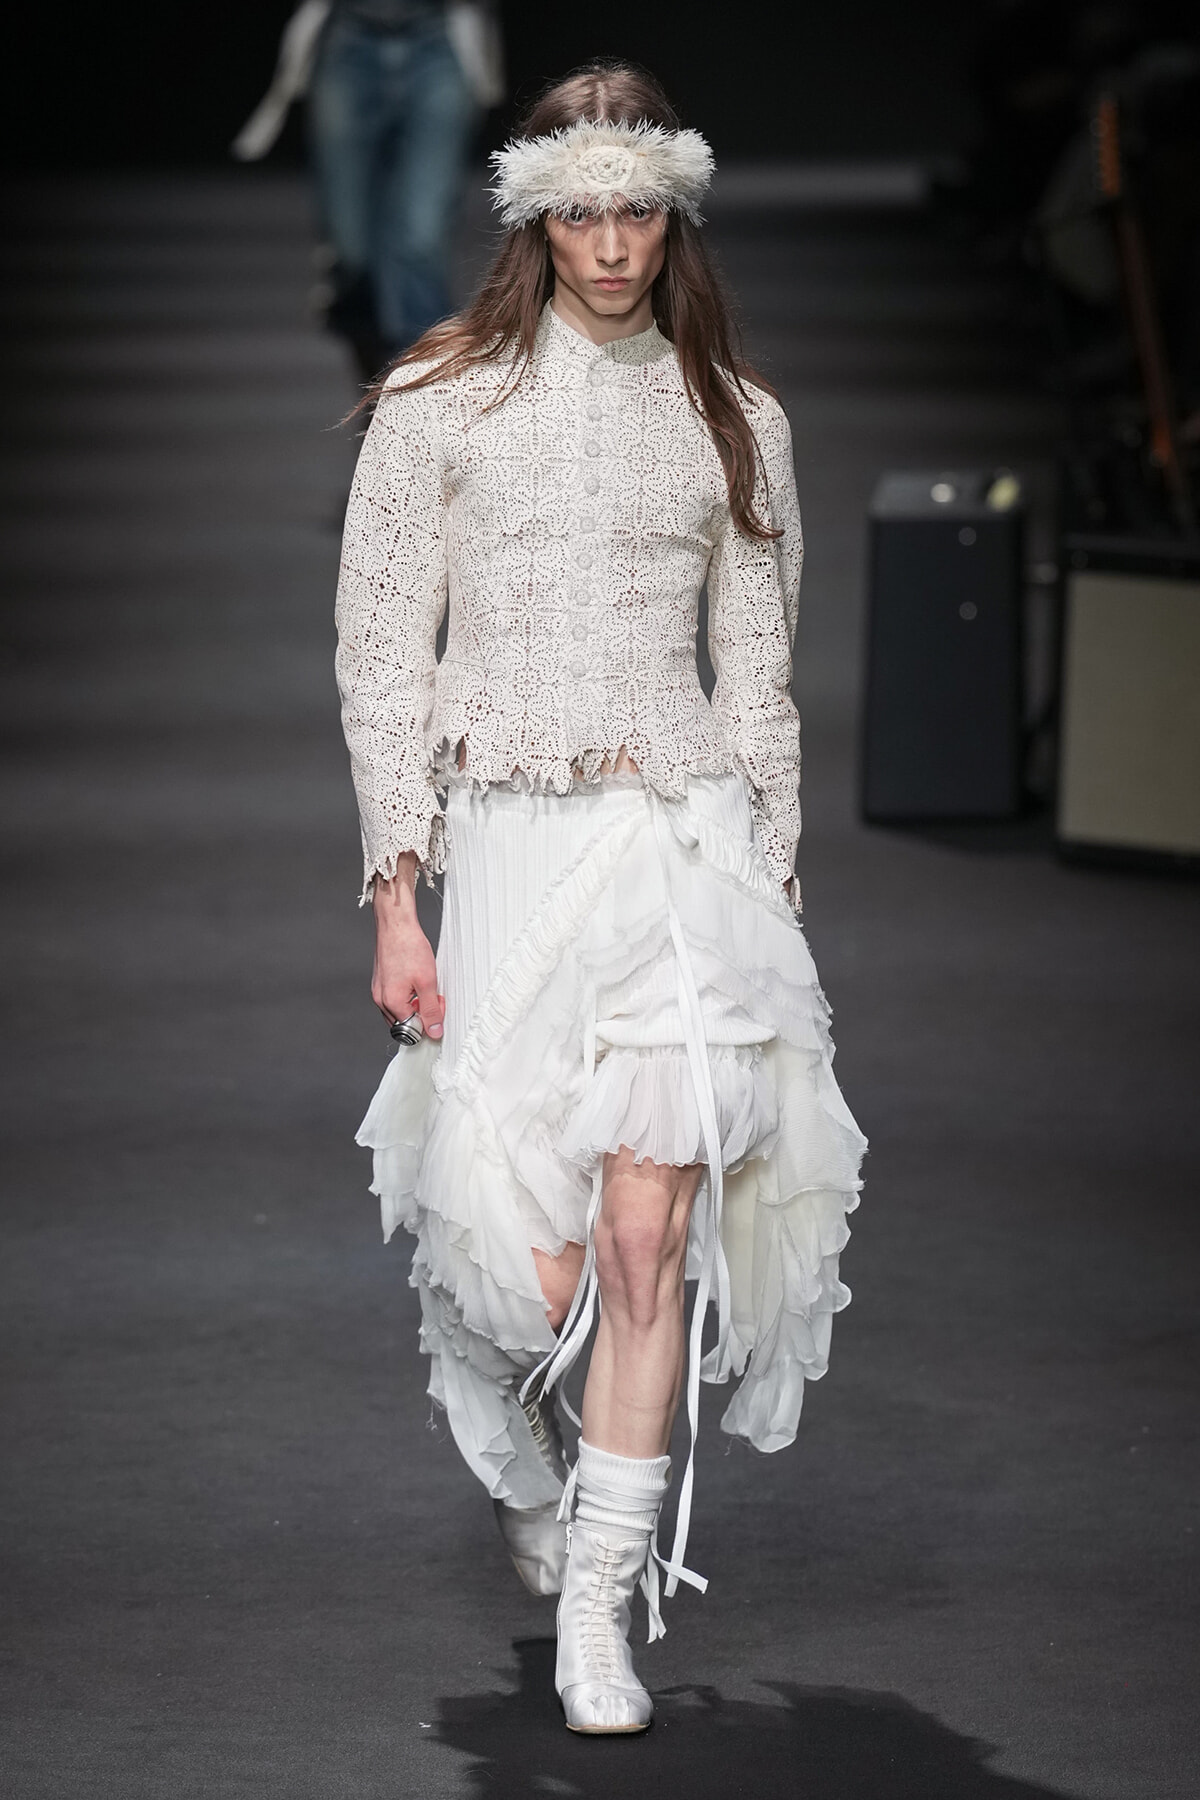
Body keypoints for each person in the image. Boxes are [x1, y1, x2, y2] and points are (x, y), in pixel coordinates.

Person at [334, 61, 867, 1735]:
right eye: (583, 210)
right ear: (538, 217)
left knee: (652, 1234)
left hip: (678, 841)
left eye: (640, 208)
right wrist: (395, 895)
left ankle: (601, 1611)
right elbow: (380, 657)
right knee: (517, 1257)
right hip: (503, 841)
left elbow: (766, 682)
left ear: (674, 212)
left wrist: (775, 881)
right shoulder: (441, 401)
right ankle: (533, 1453)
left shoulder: (736, 419)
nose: (614, 242)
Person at [233, 1, 503, 380]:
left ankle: (421, 398)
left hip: (441, 40)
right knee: (350, 251)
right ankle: (375, 385)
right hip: (347, 39)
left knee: (421, 239)